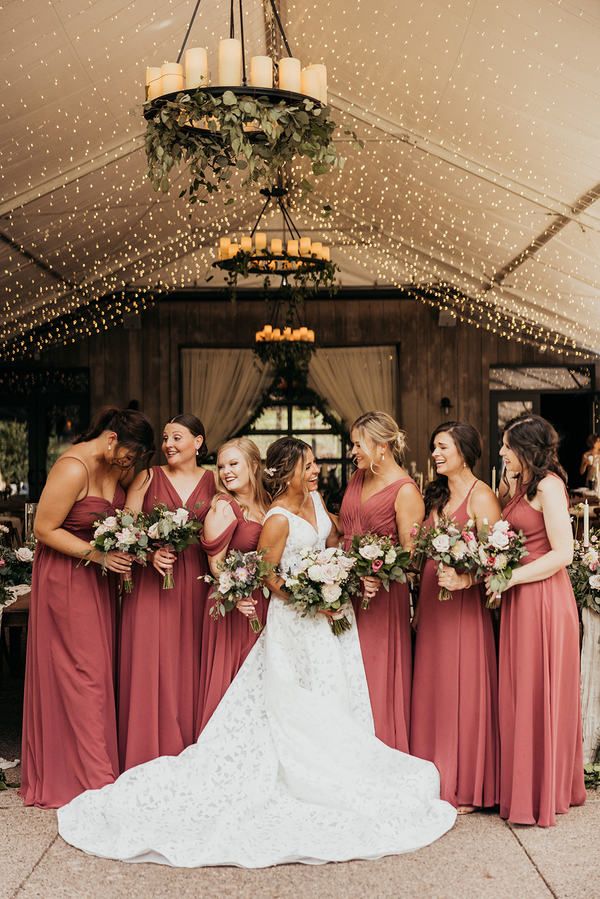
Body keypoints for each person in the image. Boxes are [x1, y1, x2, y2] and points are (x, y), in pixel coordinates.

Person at [57, 436, 456, 867]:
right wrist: (312, 598)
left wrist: (346, 573)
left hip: (330, 622)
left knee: (331, 692)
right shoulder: (279, 519)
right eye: (308, 465)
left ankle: (334, 760)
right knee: (289, 702)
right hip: (295, 619)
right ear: (289, 471)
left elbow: (338, 542)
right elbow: (268, 575)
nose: (316, 470)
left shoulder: (320, 504)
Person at [20, 407, 155, 808]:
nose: (129, 465)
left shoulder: (116, 467)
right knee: (84, 674)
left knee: (96, 671)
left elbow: (123, 524)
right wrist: (97, 556)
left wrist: (134, 496)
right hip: (66, 578)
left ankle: (87, 766)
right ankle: (93, 777)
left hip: (96, 581)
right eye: (130, 456)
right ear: (113, 440)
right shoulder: (73, 467)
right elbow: (43, 529)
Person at [491, 413, 586, 826]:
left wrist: (511, 576)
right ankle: (524, 784)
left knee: (538, 688)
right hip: (519, 599)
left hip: (544, 596)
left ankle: (543, 790)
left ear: (526, 450)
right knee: (520, 690)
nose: (501, 453)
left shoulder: (549, 487)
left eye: (507, 447)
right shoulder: (517, 484)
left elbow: (562, 553)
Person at [410, 422, 500, 812]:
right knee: (432, 685)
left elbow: (498, 557)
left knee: (460, 686)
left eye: (442, 447)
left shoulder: (482, 498)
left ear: (464, 450)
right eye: (433, 447)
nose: (435, 454)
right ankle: (432, 776)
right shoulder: (434, 495)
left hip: (464, 606)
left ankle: (463, 785)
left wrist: (466, 578)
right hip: (433, 601)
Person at [118, 414, 215, 770]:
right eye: (164, 438)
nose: (168, 445)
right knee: (151, 661)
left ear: (198, 442)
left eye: (177, 437)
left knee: (191, 659)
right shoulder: (147, 477)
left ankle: (191, 748)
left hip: (197, 581)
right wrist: (147, 553)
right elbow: (124, 528)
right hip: (152, 581)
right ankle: (147, 751)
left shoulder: (216, 480)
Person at [339, 411, 423, 751]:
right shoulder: (358, 478)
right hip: (343, 589)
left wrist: (378, 574)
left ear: (382, 446)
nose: (353, 451)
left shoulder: (405, 492)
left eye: (358, 444)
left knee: (374, 673)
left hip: (380, 596)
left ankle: (381, 750)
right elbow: (345, 527)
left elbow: (412, 556)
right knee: (345, 672)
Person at [197, 437, 270, 733]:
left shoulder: (268, 504)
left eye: (233, 464)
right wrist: (236, 594)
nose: (226, 472)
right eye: (221, 466)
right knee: (234, 678)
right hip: (232, 605)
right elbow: (216, 564)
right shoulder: (223, 506)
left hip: (263, 602)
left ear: (253, 465)